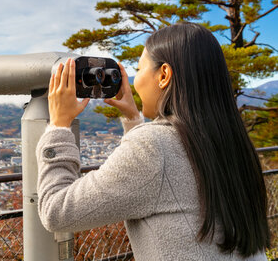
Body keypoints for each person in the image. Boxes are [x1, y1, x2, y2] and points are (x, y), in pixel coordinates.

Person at [36, 22, 270, 260]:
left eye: (139, 69)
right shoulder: (232, 142)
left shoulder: (153, 147)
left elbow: (57, 211)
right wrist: (133, 120)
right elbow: (166, 179)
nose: (135, 82)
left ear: (164, 75)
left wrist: (59, 126)